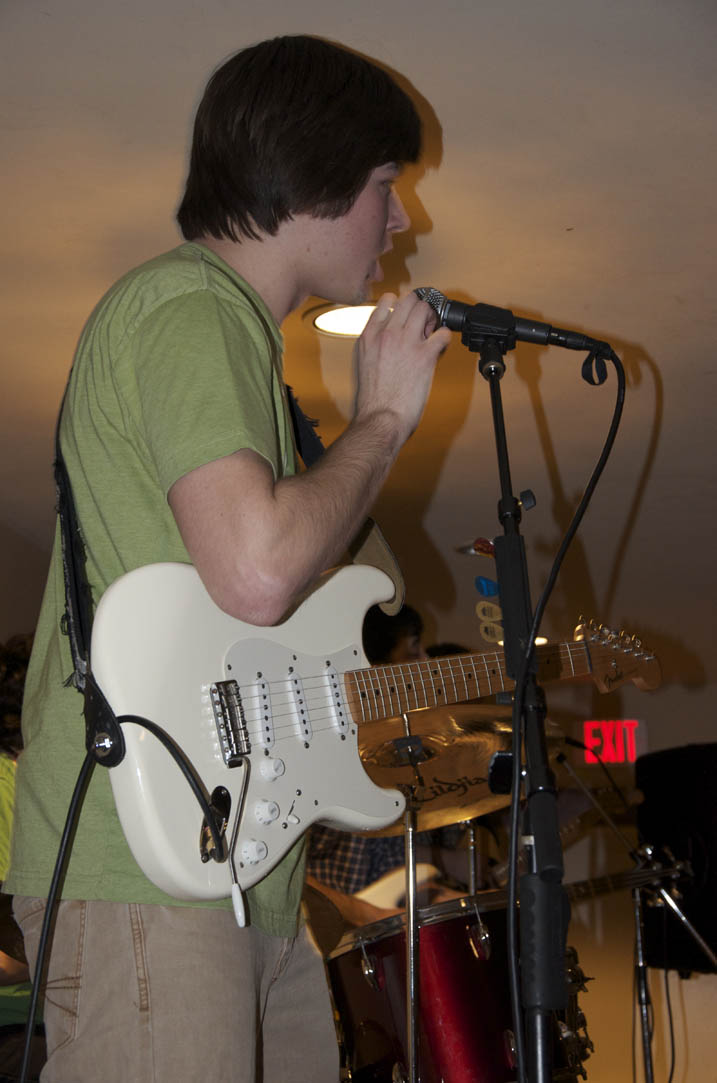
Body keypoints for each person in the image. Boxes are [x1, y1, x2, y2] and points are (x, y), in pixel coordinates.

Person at [4, 34, 451, 1083]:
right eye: (384, 183)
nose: (401, 220)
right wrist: (383, 420)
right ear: (314, 177)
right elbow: (255, 573)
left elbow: (285, 603)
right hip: (150, 855)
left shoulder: (241, 350)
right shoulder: (191, 304)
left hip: (244, 869)